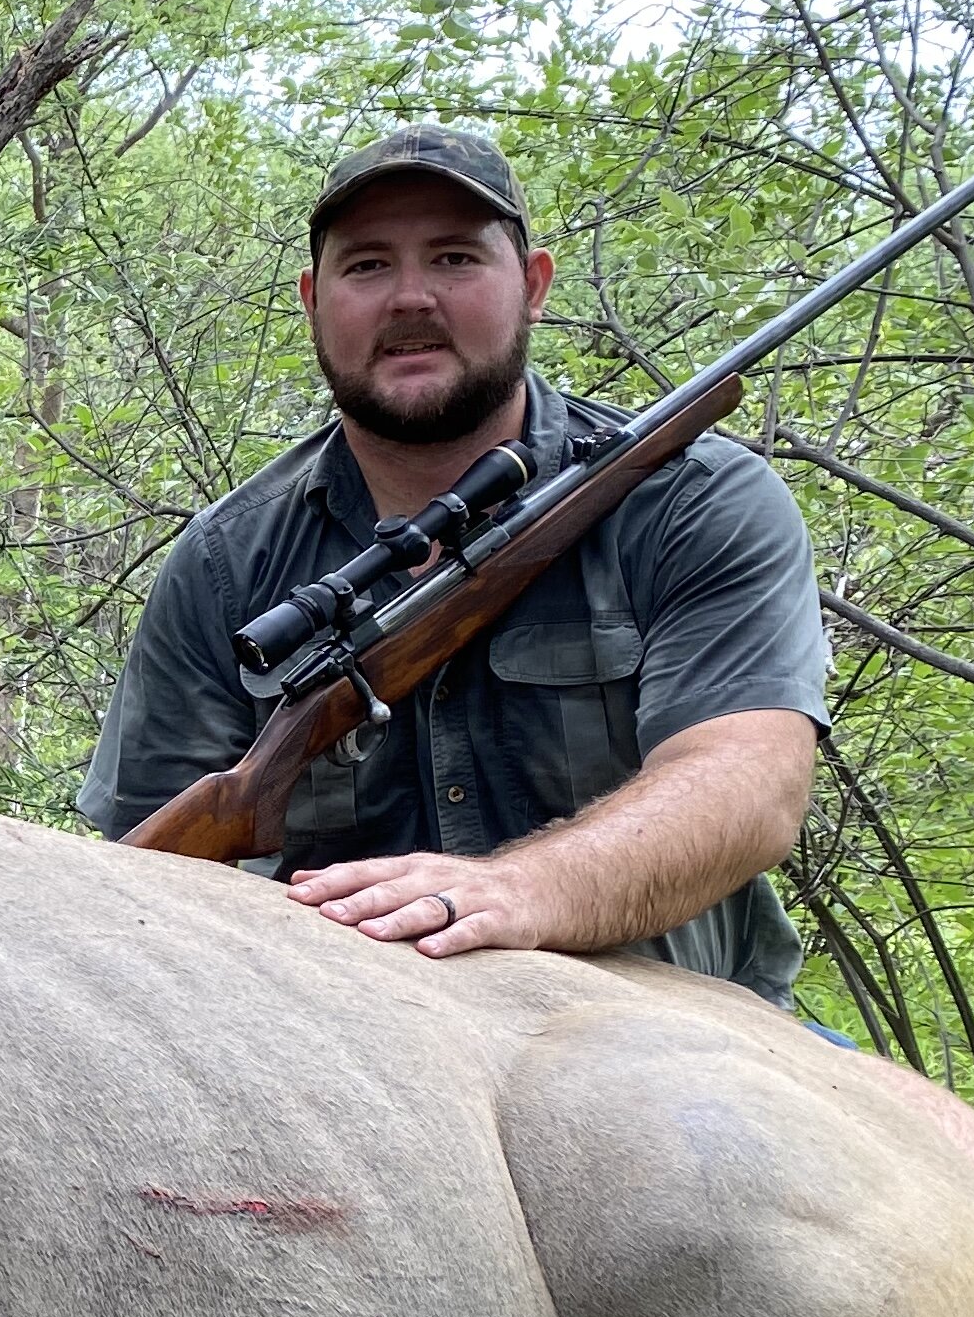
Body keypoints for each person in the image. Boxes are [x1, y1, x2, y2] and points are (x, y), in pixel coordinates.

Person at [77, 125, 827, 1003]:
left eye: (455, 259)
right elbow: (142, 886)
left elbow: (749, 785)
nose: (411, 299)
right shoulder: (222, 561)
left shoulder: (692, 498)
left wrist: (521, 889)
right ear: (313, 299)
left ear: (534, 286)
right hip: (345, 1036)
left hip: (680, 1028)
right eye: (367, 267)